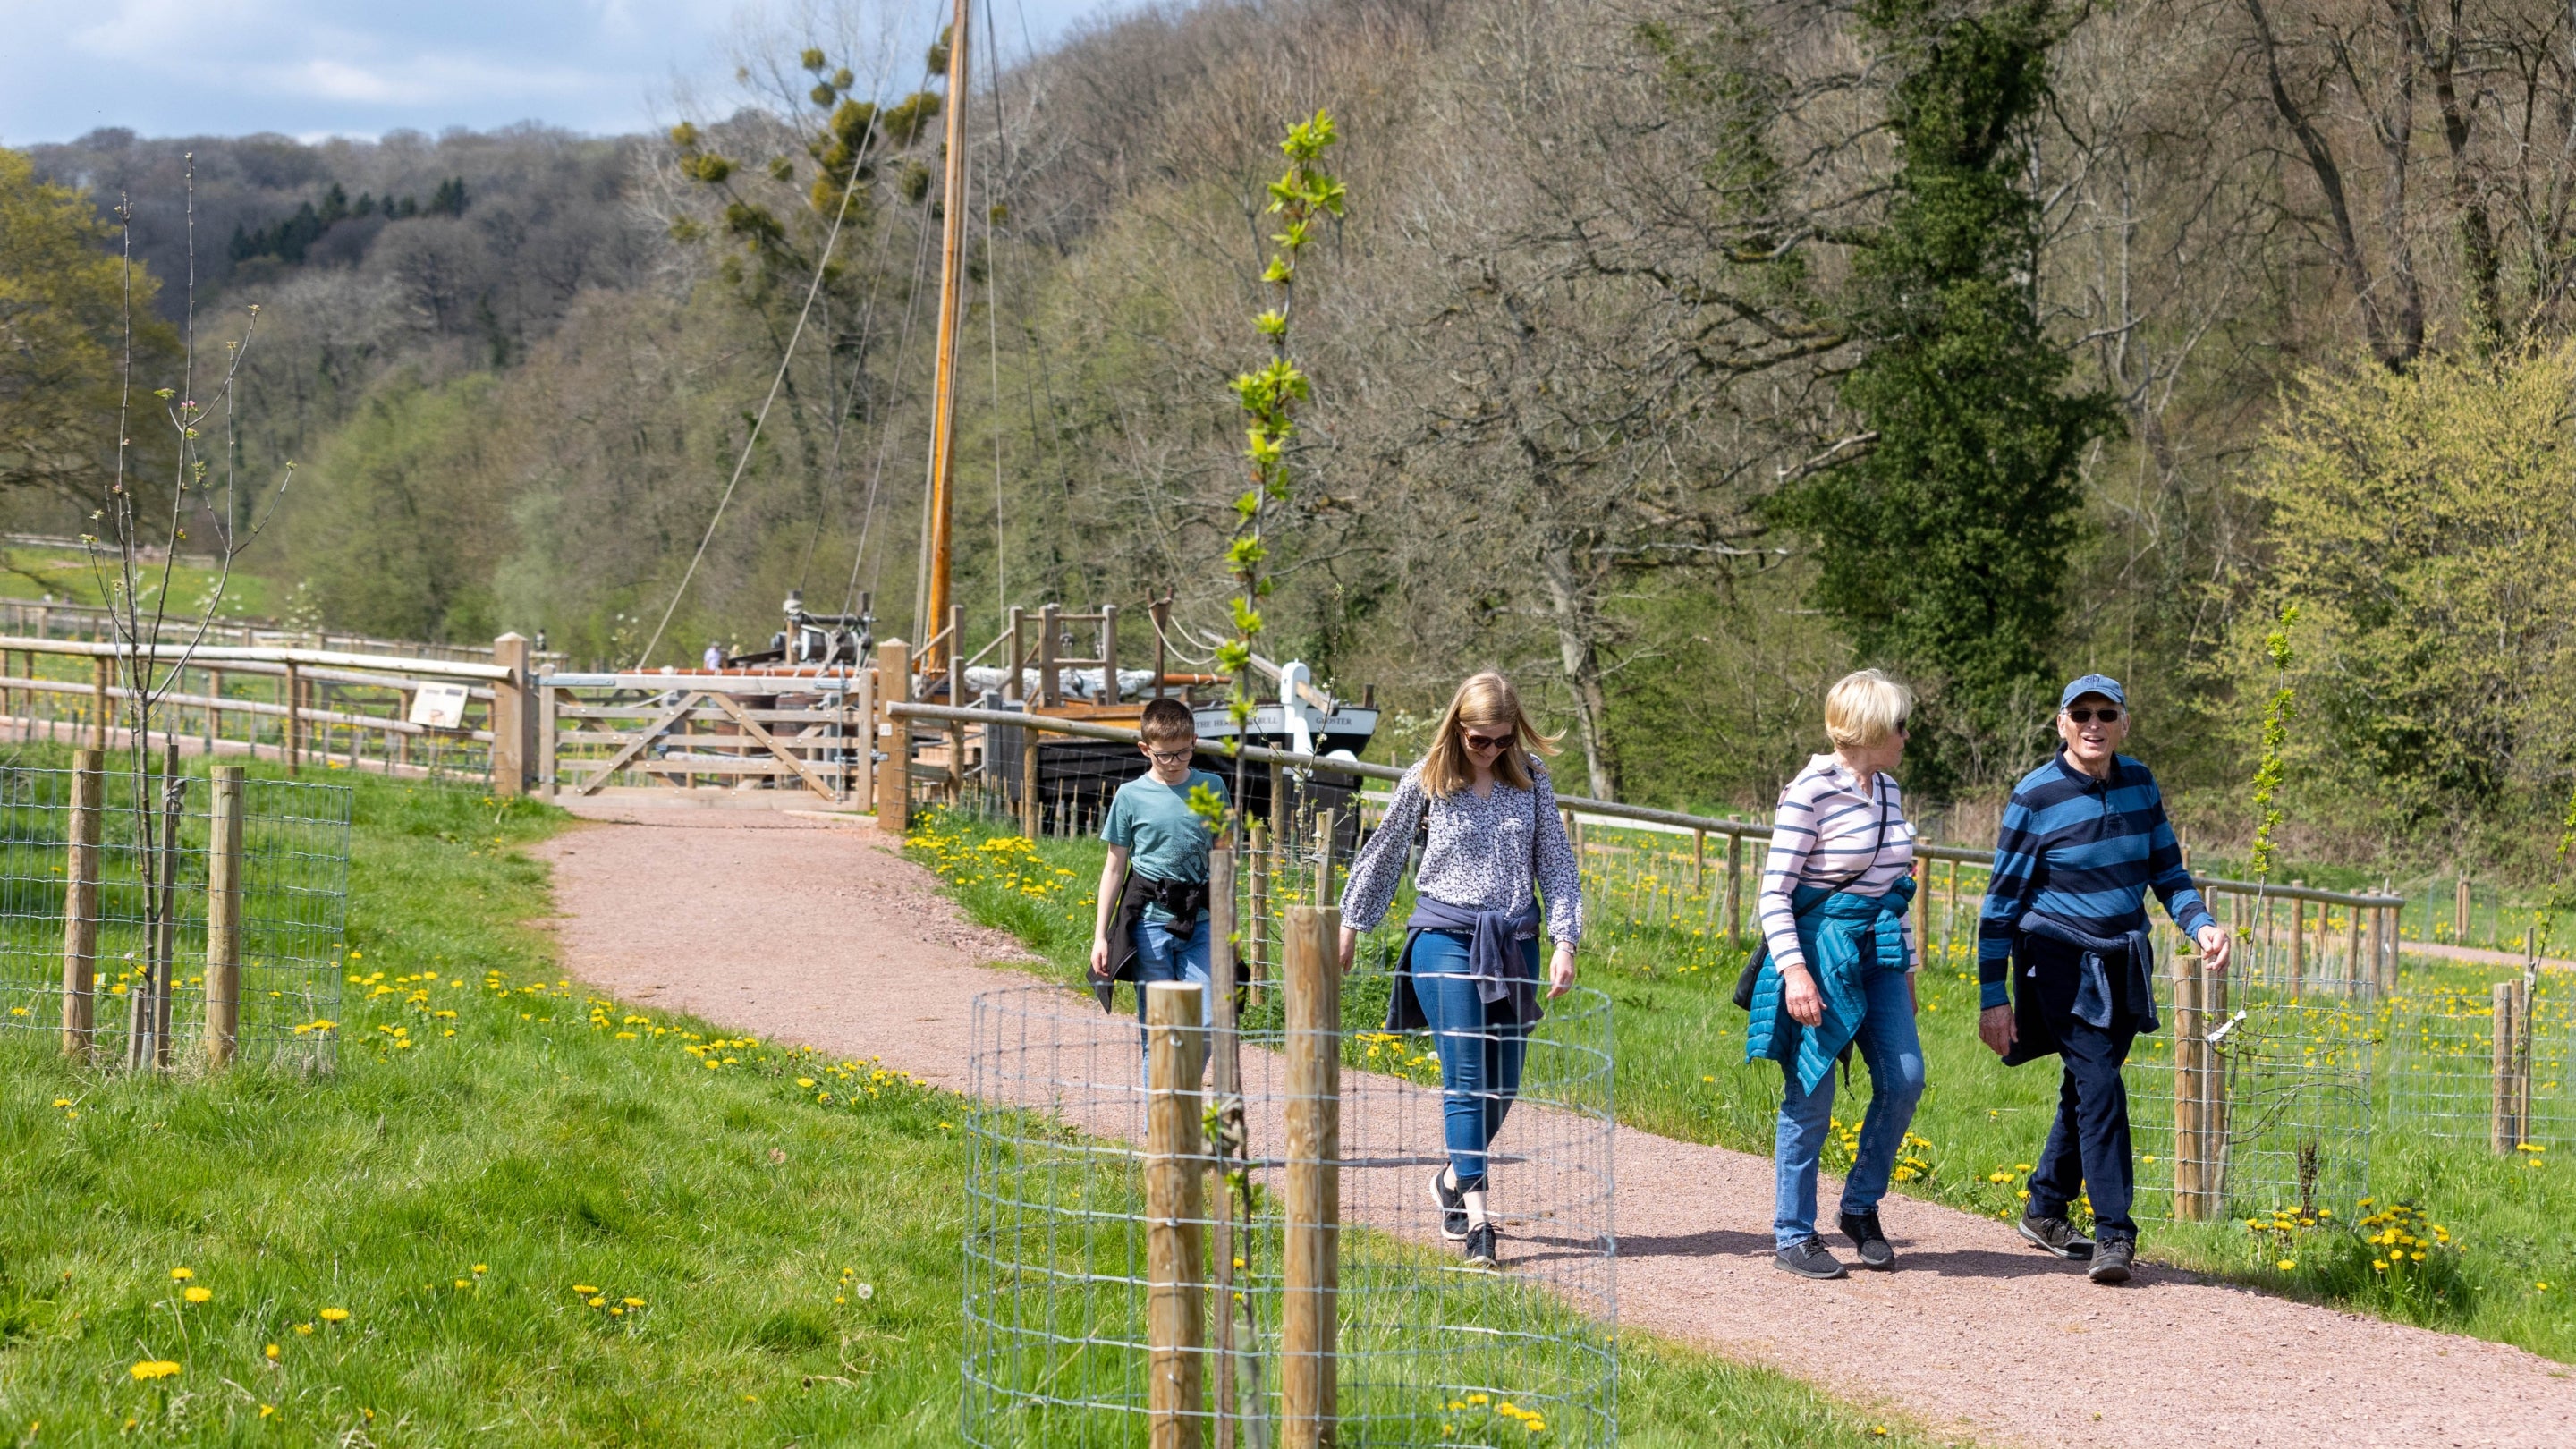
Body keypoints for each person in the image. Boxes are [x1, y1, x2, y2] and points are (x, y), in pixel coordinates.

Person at [1977, 674, 2232, 1285]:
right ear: (2062, 723)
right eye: (2081, 713)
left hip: (2122, 958)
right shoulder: (2034, 797)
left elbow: (2168, 874)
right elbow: (2000, 903)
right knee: (2099, 1084)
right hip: (2055, 955)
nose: (2094, 725)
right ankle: (2115, 1233)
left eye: (2106, 714)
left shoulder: (2141, 784)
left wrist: (2201, 926)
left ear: (2123, 723)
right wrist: (1993, 999)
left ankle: (2044, 1207)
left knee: (2090, 1084)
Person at [1338, 672, 1581, 1270]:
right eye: (1480, 741)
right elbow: (1383, 854)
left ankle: (1451, 1177)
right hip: (1443, 939)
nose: (1492, 751)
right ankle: (1479, 1220)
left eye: (1502, 740)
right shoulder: (1425, 782)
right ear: (1458, 730)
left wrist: (1564, 940)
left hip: (1513, 942)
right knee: (1467, 1073)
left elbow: (1556, 864)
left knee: (1505, 1082)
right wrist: (1349, 927)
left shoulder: (1532, 785)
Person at [1744, 669, 1924, 1280]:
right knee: (1812, 1096)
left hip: (1879, 955)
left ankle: (1859, 1207)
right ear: (1870, 729)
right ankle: (1793, 1233)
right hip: (1818, 956)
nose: (1906, 735)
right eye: (1898, 724)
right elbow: (1774, 893)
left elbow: (1893, 892)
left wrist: (1909, 972)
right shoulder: (1810, 792)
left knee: (1905, 1079)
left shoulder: (1890, 790)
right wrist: (1795, 973)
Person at [1089, 698, 1230, 1066]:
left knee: (1208, 1022)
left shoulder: (1213, 787)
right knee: (1159, 1029)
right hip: (1149, 924)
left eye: (1183, 753)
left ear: (1195, 742)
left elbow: (1225, 857)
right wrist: (1100, 936)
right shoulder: (1130, 796)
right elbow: (1114, 868)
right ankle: (1163, 1123)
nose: (1174, 763)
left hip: (1201, 922)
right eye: (1164, 755)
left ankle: (1182, 1100)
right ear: (1145, 748)